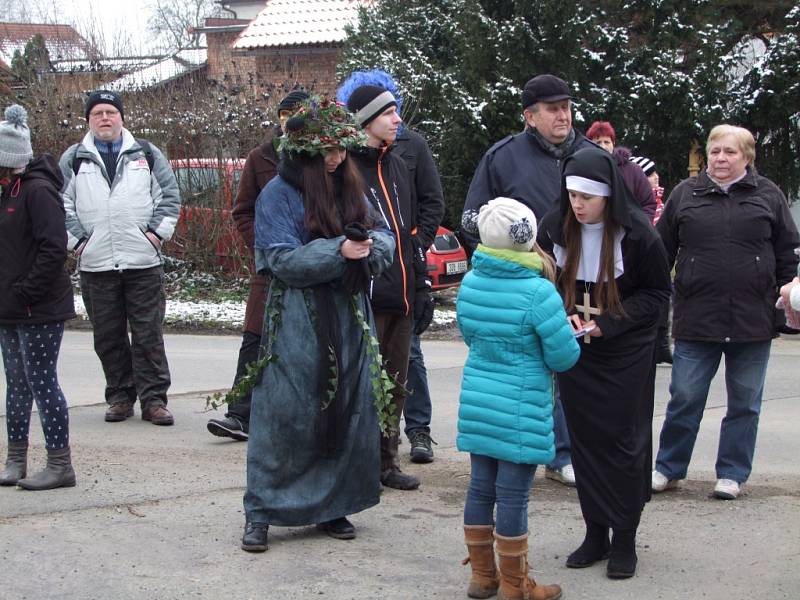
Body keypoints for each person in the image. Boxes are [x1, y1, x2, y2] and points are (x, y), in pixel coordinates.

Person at [241, 97, 395, 552]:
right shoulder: (277, 194)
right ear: (305, 152)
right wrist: (337, 252)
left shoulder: (351, 187)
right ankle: (262, 512)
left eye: (342, 149)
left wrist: (369, 248)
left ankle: (335, 504)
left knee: (346, 409)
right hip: (296, 320)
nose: (337, 158)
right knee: (284, 413)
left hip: (349, 316)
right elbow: (277, 258)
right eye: (328, 150)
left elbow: (382, 235)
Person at [538, 146, 671, 579]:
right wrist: (560, 316)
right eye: (572, 195)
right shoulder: (554, 227)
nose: (578, 205)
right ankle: (595, 532)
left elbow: (656, 297)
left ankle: (625, 537)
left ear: (608, 196)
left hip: (626, 351)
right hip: (578, 352)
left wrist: (608, 324)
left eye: (587, 198)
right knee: (586, 440)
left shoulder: (638, 236)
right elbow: (539, 281)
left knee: (624, 441)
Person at [652, 125, 799, 501]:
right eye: (714, 151)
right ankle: (669, 467)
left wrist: (790, 293)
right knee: (684, 398)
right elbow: (660, 253)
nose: (720, 158)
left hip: (753, 321)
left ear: (747, 157)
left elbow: (788, 252)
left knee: (745, 403)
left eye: (729, 152)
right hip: (696, 318)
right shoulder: (686, 194)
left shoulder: (769, 195)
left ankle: (732, 473)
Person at [462, 73, 595, 487]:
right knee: (529, 370)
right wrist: (499, 273)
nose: (563, 115)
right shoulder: (502, 157)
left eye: (567, 107)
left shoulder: (590, 154)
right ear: (529, 116)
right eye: (553, 109)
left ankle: (578, 451)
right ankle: (544, 452)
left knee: (577, 364)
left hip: (581, 280)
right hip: (525, 285)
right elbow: (472, 220)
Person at [457, 197, 579, 600]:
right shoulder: (539, 292)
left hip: (479, 400)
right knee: (512, 496)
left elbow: (473, 336)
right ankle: (515, 584)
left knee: (480, 488)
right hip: (521, 407)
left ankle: (482, 576)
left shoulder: (471, 282)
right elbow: (563, 356)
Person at [337, 69, 444, 464]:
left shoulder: (398, 162)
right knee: (364, 382)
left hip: (401, 293)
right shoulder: (344, 167)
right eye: (389, 113)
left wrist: (418, 282)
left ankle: (386, 460)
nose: (398, 120)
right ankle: (358, 463)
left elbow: (411, 222)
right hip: (367, 297)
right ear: (366, 120)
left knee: (397, 382)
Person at [60, 90, 181, 426]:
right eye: (97, 112)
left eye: (111, 112)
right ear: (88, 119)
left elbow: (169, 198)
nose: (104, 118)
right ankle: (119, 396)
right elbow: (60, 205)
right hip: (97, 264)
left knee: (148, 335)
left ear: (122, 118)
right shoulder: (74, 158)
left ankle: (154, 400)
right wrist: (80, 243)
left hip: (143, 262)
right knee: (108, 336)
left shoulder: (146, 153)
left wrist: (156, 236)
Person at [206, 89, 308, 441]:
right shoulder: (261, 157)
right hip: (270, 267)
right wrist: (263, 248)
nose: (289, 119)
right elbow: (242, 211)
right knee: (255, 335)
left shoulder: (322, 157)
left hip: (312, 265)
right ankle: (239, 414)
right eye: (284, 113)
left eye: (296, 112)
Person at [0, 105, 77, 490]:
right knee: (15, 382)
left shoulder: (38, 191)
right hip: (9, 309)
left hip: (39, 307)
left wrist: (25, 291)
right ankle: (15, 459)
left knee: (40, 380)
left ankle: (60, 464)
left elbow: (53, 249)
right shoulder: (5, 192)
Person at [630, 154, 672, 363]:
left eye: (654, 173)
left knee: (662, 301)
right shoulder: (634, 201)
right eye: (649, 174)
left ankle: (661, 343)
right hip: (644, 258)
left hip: (661, 257)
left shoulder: (660, 201)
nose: (655, 177)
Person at [585, 121, 656, 220]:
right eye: (598, 142)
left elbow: (648, 204)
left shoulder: (633, 170)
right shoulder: (584, 171)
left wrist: (639, 229)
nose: (603, 146)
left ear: (613, 143)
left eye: (606, 142)